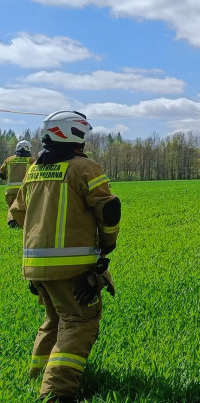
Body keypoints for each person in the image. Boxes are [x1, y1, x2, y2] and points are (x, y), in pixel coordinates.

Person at [8, 111, 120, 403]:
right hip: (71, 268)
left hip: (34, 267)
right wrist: (107, 244)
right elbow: (108, 210)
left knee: (54, 319)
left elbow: (18, 212)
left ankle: (37, 375)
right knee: (79, 323)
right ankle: (56, 393)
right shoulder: (84, 168)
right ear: (74, 135)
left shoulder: (33, 170)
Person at [4, 139, 34, 228]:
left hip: (10, 191)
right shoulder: (31, 160)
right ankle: (21, 223)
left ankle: (13, 222)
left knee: (12, 207)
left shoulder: (9, 160)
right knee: (25, 207)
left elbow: (1, 173)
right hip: (24, 190)